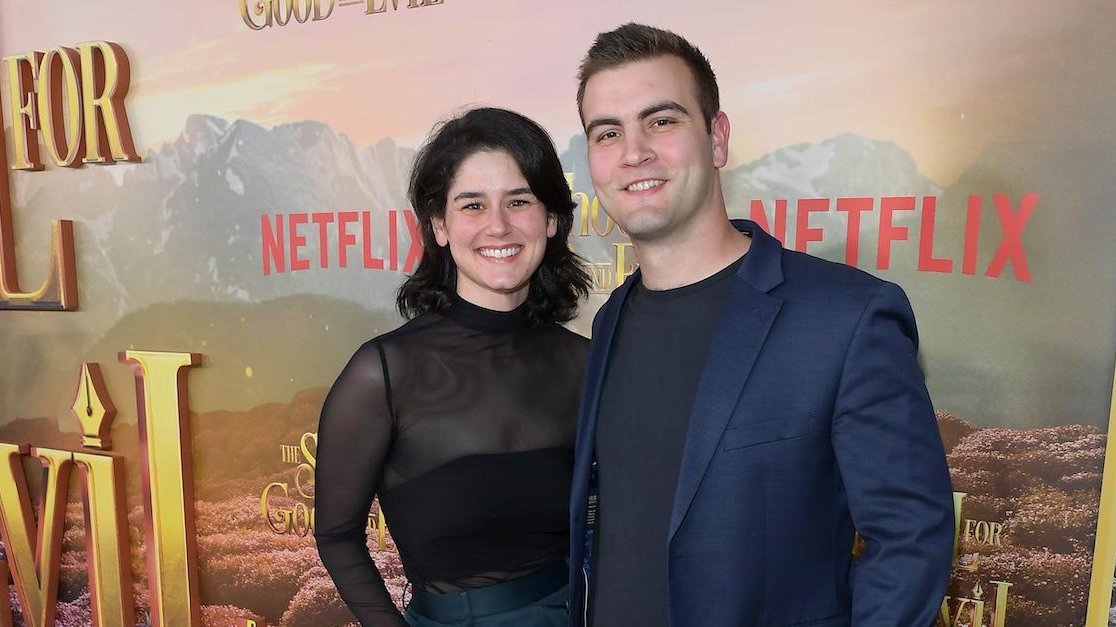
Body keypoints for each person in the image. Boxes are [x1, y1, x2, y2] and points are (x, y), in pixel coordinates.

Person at [567, 23, 955, 627]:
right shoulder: (613, 316)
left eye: (662, 121)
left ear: (717, 138)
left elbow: (909, 541)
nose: (633, 151)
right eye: (607, 132)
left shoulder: (846, 316)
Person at [315, 107, 591, 627]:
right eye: (472, 205)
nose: (498, 225)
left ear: (552, 220)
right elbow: (336, 535)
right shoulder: (384, 372)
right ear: (439, 226)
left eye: (519, 201)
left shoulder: (586, 363)